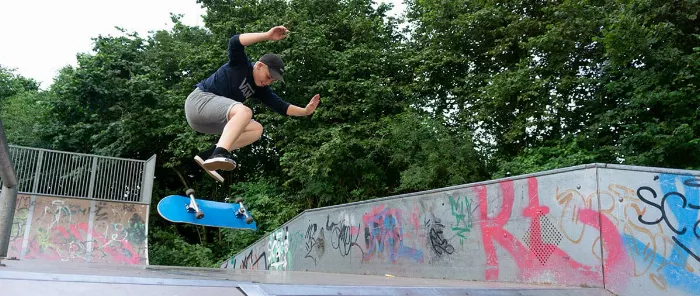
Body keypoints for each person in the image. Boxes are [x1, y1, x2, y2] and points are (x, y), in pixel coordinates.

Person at [184, 25, 320, 182]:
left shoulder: (260, 89)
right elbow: (235, 41)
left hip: (209, 121)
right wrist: (266, 35)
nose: (268, 82)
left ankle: (208, 155)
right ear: (259, 65)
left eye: (273, 80)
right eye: (269, 76)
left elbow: (282, 107)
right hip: (199, 102)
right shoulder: (240, 64)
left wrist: (305, 111)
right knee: (244, 112)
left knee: (256, 129)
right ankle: (220, 152)